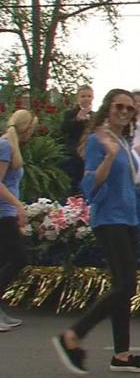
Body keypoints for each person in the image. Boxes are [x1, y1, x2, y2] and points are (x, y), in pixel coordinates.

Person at [52, 89, 140, 374]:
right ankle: (73, 336)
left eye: (129, 108)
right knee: (126, 285)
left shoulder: (123, 142)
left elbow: (133, 191)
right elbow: (89, 188)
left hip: (127, 220)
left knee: (123, 288)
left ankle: (122, 355)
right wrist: (109, 157)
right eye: (119, 107)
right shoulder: (96, 142)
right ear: (107, 108)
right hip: (108, 220)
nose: (124, 112)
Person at [0, 110, 37, 332]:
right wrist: (17, 205)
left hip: (7, 211)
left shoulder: (9, 145)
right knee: (18, 258)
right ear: (26, 127)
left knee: (5, 259)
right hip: (4, 212)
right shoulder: (5, 146)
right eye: (31, 129)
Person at [59, 85, 94, 196]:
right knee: (73, 182)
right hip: (73, 153)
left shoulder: (95, 115)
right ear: (78, 98)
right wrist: (77, 119)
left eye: (89, 96)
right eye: (83, 96)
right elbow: (64, 129)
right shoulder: (70, 113)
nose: (86, 98)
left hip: (89, 153)